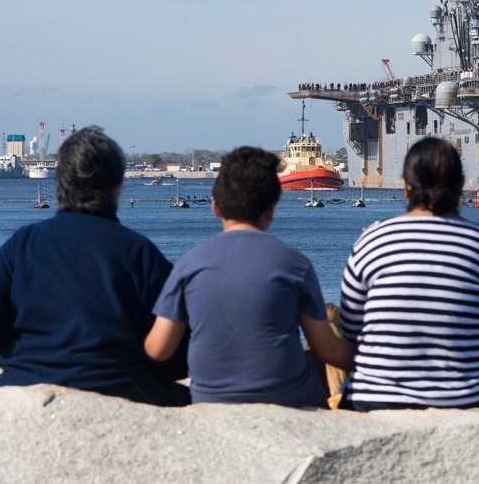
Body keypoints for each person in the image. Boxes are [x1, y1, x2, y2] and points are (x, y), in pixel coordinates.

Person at [144, 146, 353, 408]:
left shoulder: (188, 265)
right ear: (271, 210)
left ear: (215, 208)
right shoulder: (295, 264)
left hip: (211, 400)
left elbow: (158, 349)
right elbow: (328, 349)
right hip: (289, 399)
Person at [0, 126, 189, 406]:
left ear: (59, 183)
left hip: (27, 386)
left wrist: (18, 356)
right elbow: (178, 352)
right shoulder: (139, 253)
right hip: (118, 390)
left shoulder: (22, 245)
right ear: (117, 187)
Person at [339, 137, 479, 411]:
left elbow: (351, 330)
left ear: (405, 188)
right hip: (469, 401)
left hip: (377, 400)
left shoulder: (371, 240)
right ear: (460, 186)